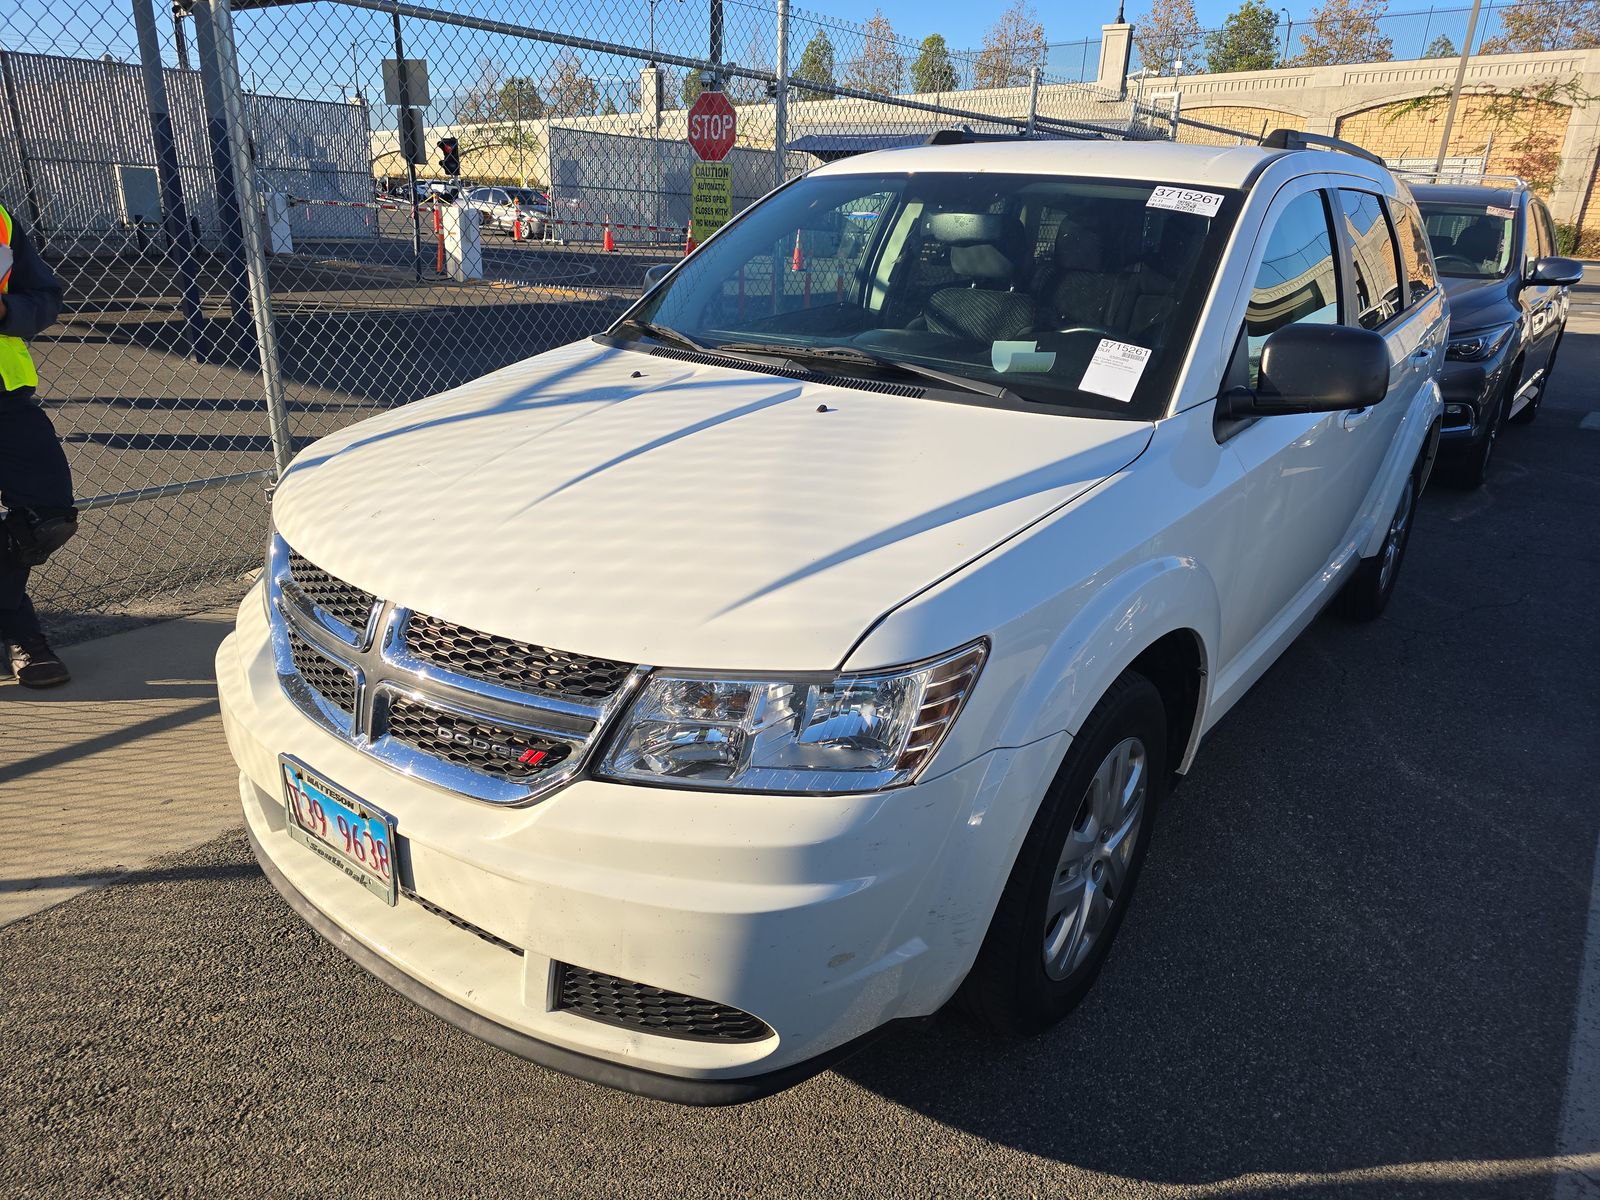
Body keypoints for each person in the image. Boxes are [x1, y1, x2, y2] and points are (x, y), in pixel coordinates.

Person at [0, 201, 74, 688]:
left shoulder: (0, 219)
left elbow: (44, 295)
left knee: (49, 517)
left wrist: (8, 310)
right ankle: (22, 634)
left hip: (5, 393)